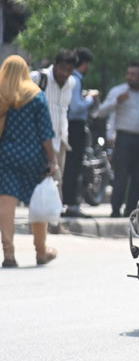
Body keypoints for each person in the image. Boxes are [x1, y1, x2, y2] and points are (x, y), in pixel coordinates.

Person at [0, 56, 61, 267]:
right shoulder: (36, 96)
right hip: (34, 157)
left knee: (6, 203)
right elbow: (46, 133)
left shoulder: (2, 96)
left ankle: (8, 254)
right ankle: (41, 251)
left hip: (6, 156)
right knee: (38, 203)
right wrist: (52, 160)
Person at [93, 61, 139, 218]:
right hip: (125, 138)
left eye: (134, 74)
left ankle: (131, 211)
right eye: (128, 74)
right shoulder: (118, 91)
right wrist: (116, 102)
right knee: (121, 176)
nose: (129, 77)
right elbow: (100, 112)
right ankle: (115, 210)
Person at [62, 47, 96, 218]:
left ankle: (69, 203)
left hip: (70, 126)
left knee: (71, 165)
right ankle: (71, 204)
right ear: (84, 63)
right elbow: (76, 107)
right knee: (73, 166)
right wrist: (89, 98)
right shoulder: (75, 80)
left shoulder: (71, 79)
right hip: (74, 127)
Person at [41, 50, 76, 197]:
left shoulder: (71, 82)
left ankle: (53, 211)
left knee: (57, 182)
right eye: (62, 68)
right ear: (54, 65)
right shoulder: (39, 78)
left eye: (69, 70)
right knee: (45, 180)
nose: (65, 73)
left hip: (61, 140)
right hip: (42, 140)